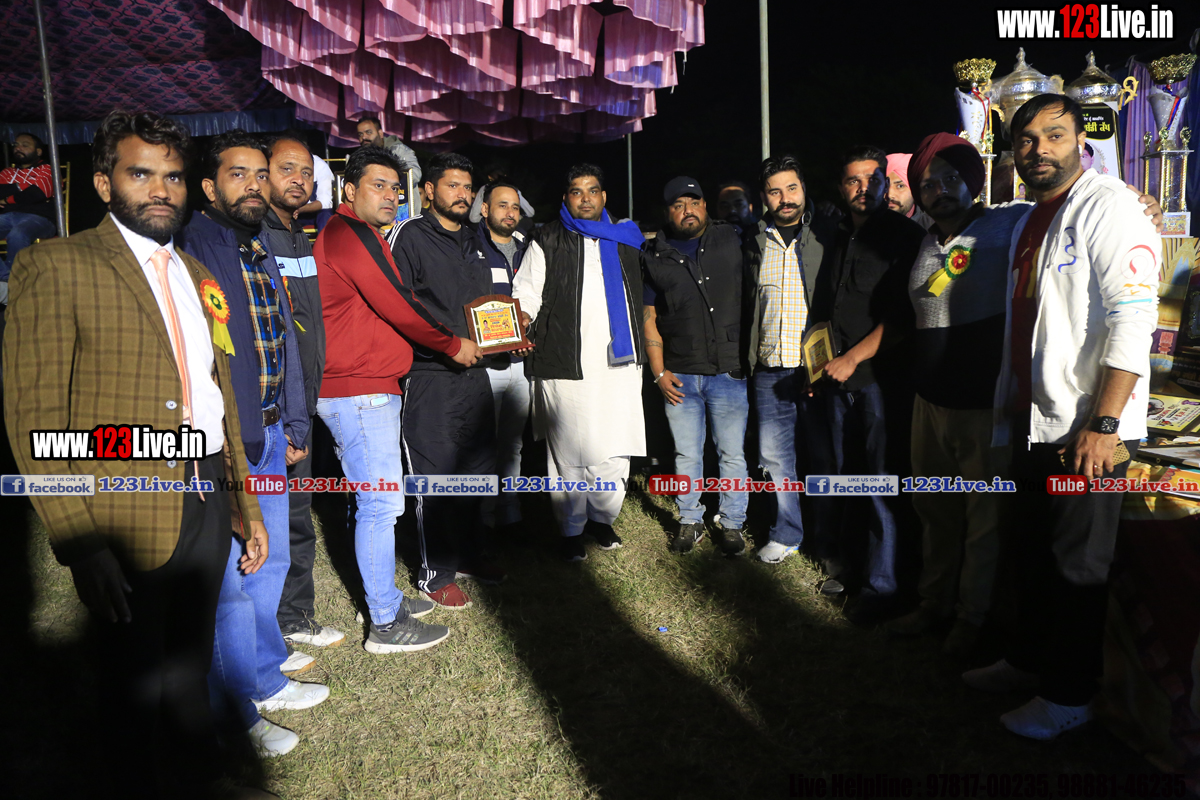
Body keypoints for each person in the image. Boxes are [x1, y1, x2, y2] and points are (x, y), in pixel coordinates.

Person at [3, 110, 265, 797]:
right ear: (103, 182)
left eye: (173, 176)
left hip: (204, 493)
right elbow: (35, 417)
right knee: (130, 676)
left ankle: (199, 775)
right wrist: (80, 540)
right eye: (140, 173)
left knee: (190, 658)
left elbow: (217, 396)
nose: (160, 189)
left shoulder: (196, 272)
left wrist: (244, 502)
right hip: (121, 507)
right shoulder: (55, 265)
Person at [964, 94, 1159, 741]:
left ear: (1082, 144)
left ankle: (1069, 697)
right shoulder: (1029, 218)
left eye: (1055, 135)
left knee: (1077, 566)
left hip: (1087, 431)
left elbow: (1135, 318)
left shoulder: (1109, 207)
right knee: (1032, 553)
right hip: (1034, 422)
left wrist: (1104, 426)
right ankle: (1027, 662)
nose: (1039, 149)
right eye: (1026, 139)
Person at [176, 130, 328, 757]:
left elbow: (282, 341)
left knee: (271, 560)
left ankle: (264, 672)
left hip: (268, 433)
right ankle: (235, 704)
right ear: (208, 187)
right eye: (238, 174)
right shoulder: (193, 247)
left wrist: (293, 423)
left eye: (261, 174)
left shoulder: (257, 244)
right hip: (223, 443)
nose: (255, 185)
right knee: (231, 582)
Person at [315, 146, 480, 651]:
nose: (390, 196)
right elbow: (400, 304)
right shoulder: (348, 234)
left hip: (367, 385)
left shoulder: (359, 233)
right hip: (358, 389)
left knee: (377, 502)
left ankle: (383, 597)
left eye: (394, 187)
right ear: (349, 190)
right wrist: (452, 344)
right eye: (378, 185)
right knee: (382, 505)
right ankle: (385, 624)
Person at [882, 134, 1022, 656]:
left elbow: (1072, 208)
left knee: (984, 522)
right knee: (935, 511)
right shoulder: (925, 241)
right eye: (927, 183)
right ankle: (933, 603)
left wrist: (1139, 201)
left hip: (985, 406)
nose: (939, 189)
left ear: (972, 181)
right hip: (931, 405)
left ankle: (972, 619)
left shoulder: (1010, 222)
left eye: (950, 178)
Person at [807, 145, 925, 621]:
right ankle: (853, 568)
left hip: (881, 381)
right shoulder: (839, 233)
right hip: (837, 380)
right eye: (853, 181)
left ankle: (884, 586)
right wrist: (817, 369)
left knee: (881, 483)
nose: (863, 189)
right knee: (847, 477)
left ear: (885, 183)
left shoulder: (905, 236)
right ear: (842, 187)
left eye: (872, 179)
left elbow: (904, 317)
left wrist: (853, 357)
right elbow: (828, 307)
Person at [511, 163, 647, 562]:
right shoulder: (547, 238)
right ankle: (571, 529)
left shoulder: (628, 238)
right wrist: (520, 321)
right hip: (564, 359)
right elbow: (527, 292)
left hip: (621, 362)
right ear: (566, 198)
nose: (585, 198)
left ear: (604, 196)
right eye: (576, 191)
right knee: (569, 450)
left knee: (615, 445)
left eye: (592, 191)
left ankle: (602, 519)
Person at [385, 152, 499, 608]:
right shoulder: (409, 235)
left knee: (477, 472)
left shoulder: (475, 238)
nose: (463, 194)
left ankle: (469, 555)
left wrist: (507, 332)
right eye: (453, 185)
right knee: (434, 477)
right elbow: (399, 306)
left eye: (468, 187)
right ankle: (436, 573)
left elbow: (485, 304)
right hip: (429, 373)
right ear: (428, 190)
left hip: (475, 373)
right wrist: (447, 345)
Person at [261, 132, 344, 651]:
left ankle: (293, 617)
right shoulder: (256, 239)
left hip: (302, 404)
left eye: (307, 172)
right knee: (269, 520)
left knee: (296, 516)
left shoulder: (300, 235)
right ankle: (268, 628)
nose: (299, 180)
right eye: (287, 169)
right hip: (273, 410)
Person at [642, 176, 748, 555]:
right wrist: (658, 371)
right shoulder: (654, 255)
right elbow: (649, 316)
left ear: (705, 206)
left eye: (693, 202)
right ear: (668, 212)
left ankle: (732, 523)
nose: (687, 210)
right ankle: (690, 520)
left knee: (731, 453)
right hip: (680, 374)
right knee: (687, 454)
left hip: (729, 370)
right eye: (678, 205)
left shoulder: (732, 239)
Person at [742, 155, 826, 565]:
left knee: (824, 455)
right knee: (775, 458)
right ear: (764, 197)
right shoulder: (755, 241)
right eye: (775, 191)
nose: (785, 198)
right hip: (770, 369)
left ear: (804, 189)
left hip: (818, 369)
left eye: (792, 188)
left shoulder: (825, 236)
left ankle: (827, 538)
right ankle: (787, 532)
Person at [475, 181, 532, 533]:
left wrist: (527, 337)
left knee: (513, 443)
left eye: (515, 207)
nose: (510, 213)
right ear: (485, 209)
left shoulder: (529, 248)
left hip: (522, 364)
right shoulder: (470, 246)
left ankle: (510, 512)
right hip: (487, 366)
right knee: (483, 444)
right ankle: (483, 518)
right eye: (502, 205)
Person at [0, 132, 57, 281]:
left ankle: (15, 280)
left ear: (38, 151)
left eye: (25, 145)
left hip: (40, 218)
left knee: (18, 233)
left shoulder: (47, 169)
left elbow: (38, 193)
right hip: (7, 216)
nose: (18, 148)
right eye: (16, 145)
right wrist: (21, 186)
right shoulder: (7, 172)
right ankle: (6, 278)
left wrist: (7, 199)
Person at [355, 116, 422, 186]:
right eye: (360, 134)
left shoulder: (399, 150)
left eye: (368, 132)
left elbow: (414, 175)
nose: (364, 137)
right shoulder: (360, 158)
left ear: (380, 133)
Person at [885, 153, 934, 229]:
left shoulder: (933, 226)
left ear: (914, 190)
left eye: (900, 186)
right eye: (884, 186)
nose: (890, 195)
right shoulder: (867, 224)